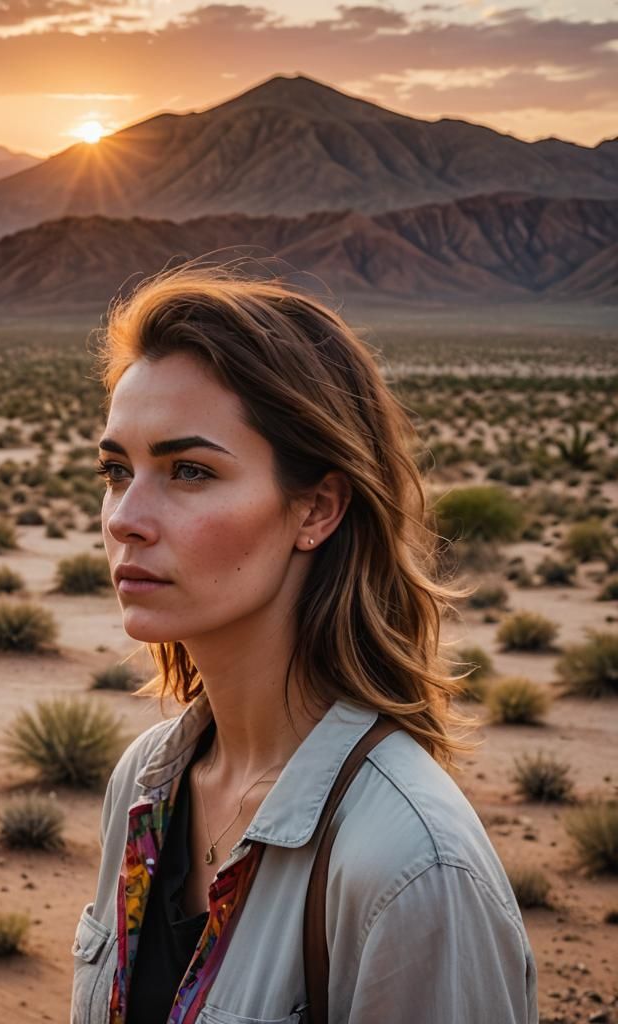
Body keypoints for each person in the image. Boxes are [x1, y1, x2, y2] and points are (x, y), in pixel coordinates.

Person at [70, 261, 537, 1024]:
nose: (126, 516)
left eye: (189, 470)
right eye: (116, 469)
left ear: (316, 509)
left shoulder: (410, 865)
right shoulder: (144, 788)